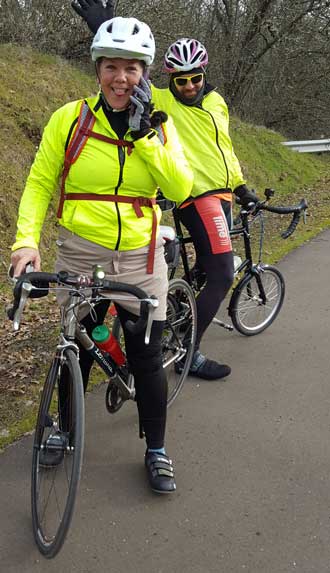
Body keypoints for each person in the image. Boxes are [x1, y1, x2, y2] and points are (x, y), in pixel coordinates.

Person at [10, 16, 193, 494]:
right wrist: (26, 240)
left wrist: (146, 137)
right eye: (111, 66)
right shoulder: (68, 119)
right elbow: (39, 182)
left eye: (131, 69)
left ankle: (156, 447)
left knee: (146, 355)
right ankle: (65, 430)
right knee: (77, 347)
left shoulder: (158, 124)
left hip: (139, 252)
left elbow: (179, 187)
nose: (120, 78)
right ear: (97, 69)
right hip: (81, 250)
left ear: (145, 73)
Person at [71, 0, 260, 382]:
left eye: (195, 78)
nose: (189, 86)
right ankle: (191, 352)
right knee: (224, 272)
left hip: (221, 194)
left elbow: (223, 149)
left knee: (209, 269)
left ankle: (177, 310)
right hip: (198, 194)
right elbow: (129, 74)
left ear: (204, 74)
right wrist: (106, 26)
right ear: (171, 81)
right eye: (181, 80)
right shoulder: (165, 99)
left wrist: (241, 187)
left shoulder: (218, 102)